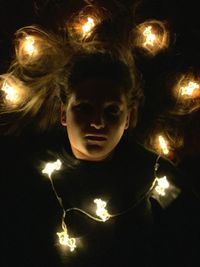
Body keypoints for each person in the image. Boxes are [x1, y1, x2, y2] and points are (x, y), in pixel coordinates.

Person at [1, 26, 200, 267]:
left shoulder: (156, 176)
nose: (97, 122)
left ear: (128, 117)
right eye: (84, 108)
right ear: (64, 112)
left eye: (112, 111)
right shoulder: (27, 177)